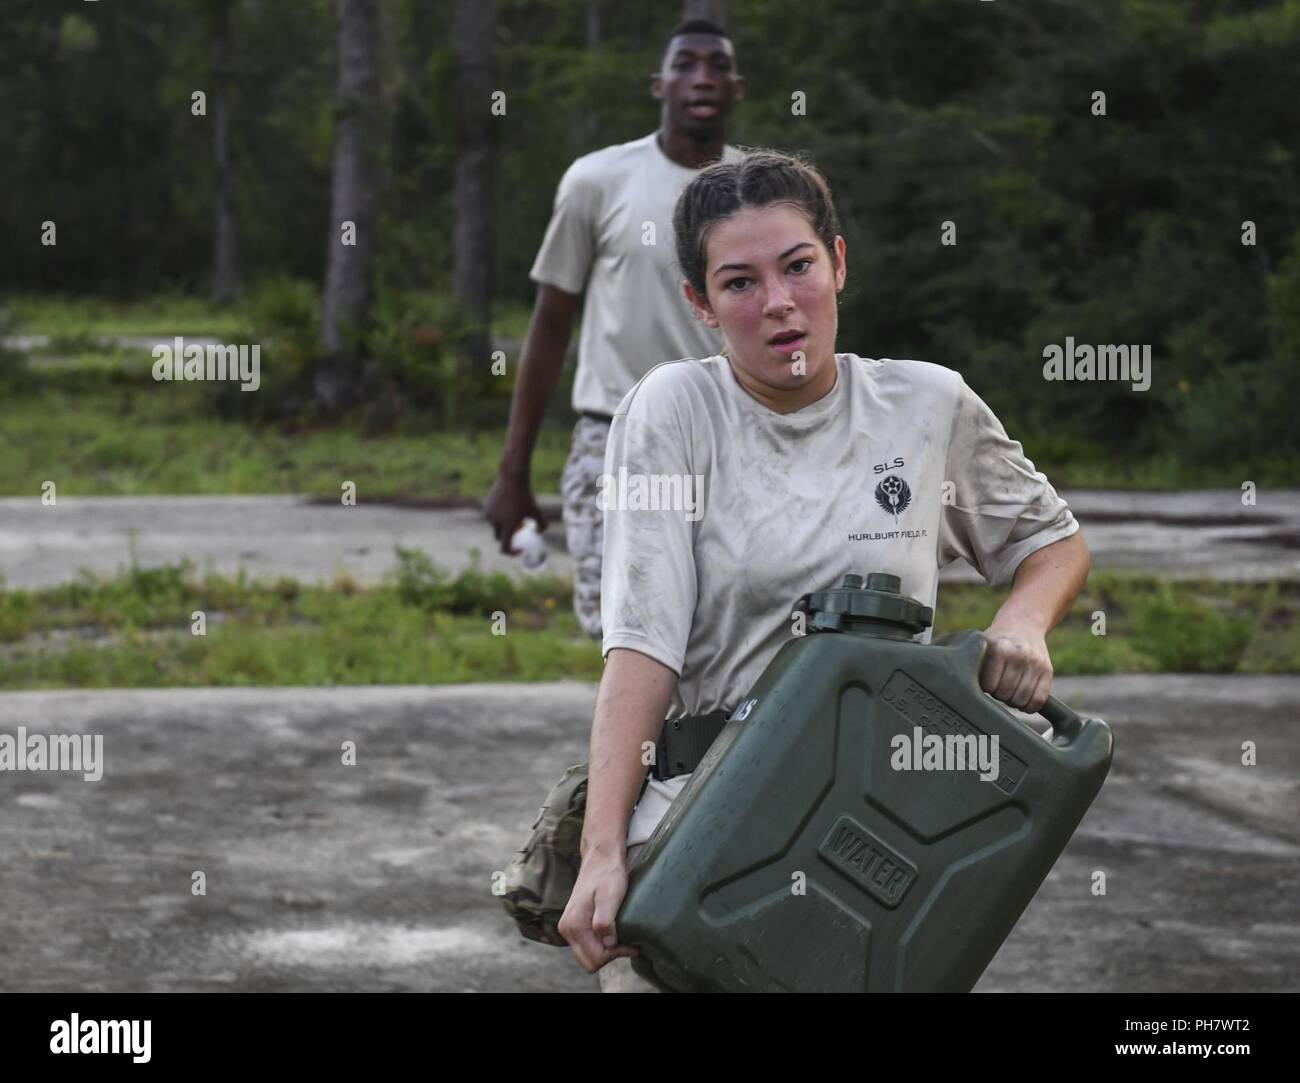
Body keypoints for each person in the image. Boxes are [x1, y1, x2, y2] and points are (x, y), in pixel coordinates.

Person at [557, 149, 1092, 992]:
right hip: (703, 829)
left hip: (874, 849)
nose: (777, 303)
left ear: (838, 264)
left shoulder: (927, 406)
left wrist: (1022, 621)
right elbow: (642, 644)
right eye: (738, 282)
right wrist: (602, 853)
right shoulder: (673, 412)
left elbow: (1051, 542)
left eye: (798, 266)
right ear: (699, 304)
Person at [483, 18, 745, 641]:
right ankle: (629, 745)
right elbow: (550, 325)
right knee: (627, 640)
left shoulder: (758, 190)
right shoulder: (597, 181)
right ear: (659, 85)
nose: (702, 76)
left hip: (734, 436)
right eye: (685, 64)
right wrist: (513, 471)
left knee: (729, 642)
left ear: (736, 87)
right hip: (617, 441)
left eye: (718, 65)